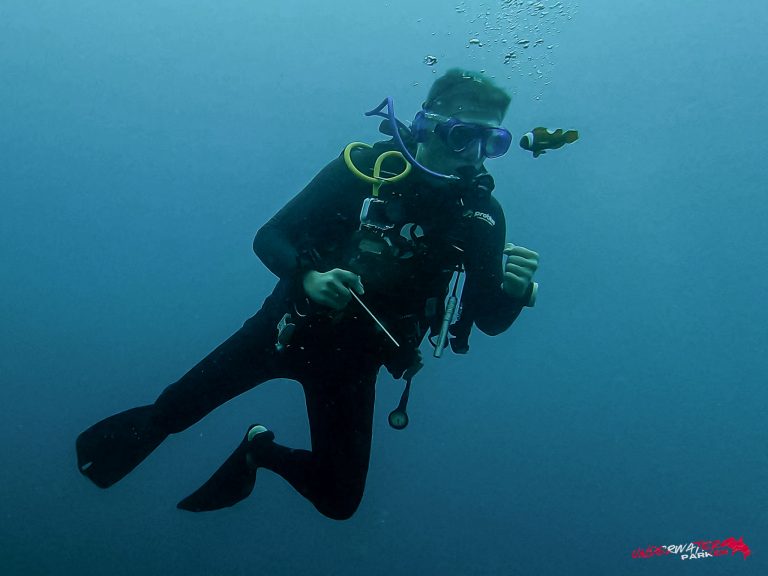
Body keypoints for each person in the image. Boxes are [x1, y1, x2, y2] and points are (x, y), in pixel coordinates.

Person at [75, 68, 540, 520]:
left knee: (339, 501)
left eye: (492, 143)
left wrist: (514, 292)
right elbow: (271, 236)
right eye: (463, 137)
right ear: (425, 127)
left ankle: (258, 451)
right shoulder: (364, 170)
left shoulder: (480, 217)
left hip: (355, 364)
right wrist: (309, 278)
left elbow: (490, 320)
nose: (474, 155)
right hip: (283, 330)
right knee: (171, 414)